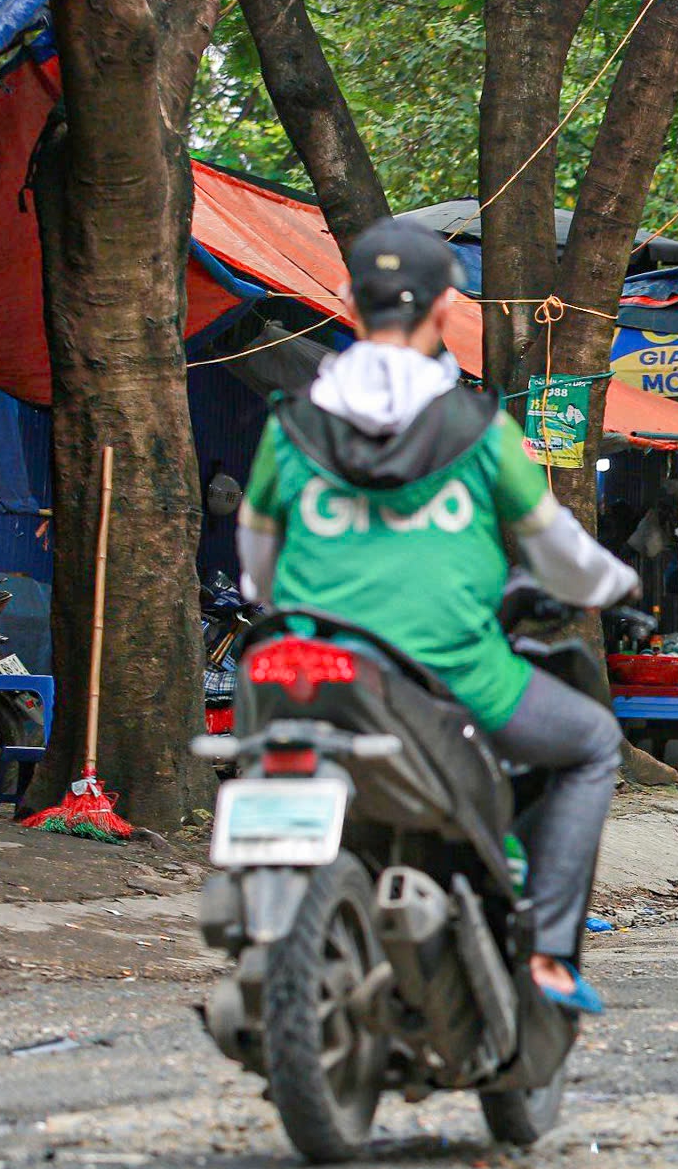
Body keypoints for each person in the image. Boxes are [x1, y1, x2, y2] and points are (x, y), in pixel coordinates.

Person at [237, 218, 638, 1016]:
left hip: (303, 668)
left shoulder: (291, 427)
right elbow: (559, 555)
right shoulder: (480, 430)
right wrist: (614, 581)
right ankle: (551, 958)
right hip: (449, 674)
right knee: (594, 742)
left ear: (348, 301)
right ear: (447, 308)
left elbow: (258, 566)